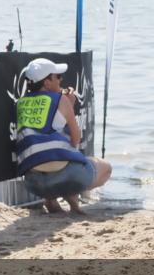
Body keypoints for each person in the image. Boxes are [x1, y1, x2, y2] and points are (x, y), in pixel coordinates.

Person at [14, 58, 112, 214]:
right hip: (66, 176)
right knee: (105, 168)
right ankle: (71, 193)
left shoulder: (20, 103)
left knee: (49, 158)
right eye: (57, 76)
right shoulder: (61, 100)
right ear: (46, 83)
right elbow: (75, 139)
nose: (61, 79)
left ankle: (51, 198)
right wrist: (69, 103)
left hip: (34, 183)